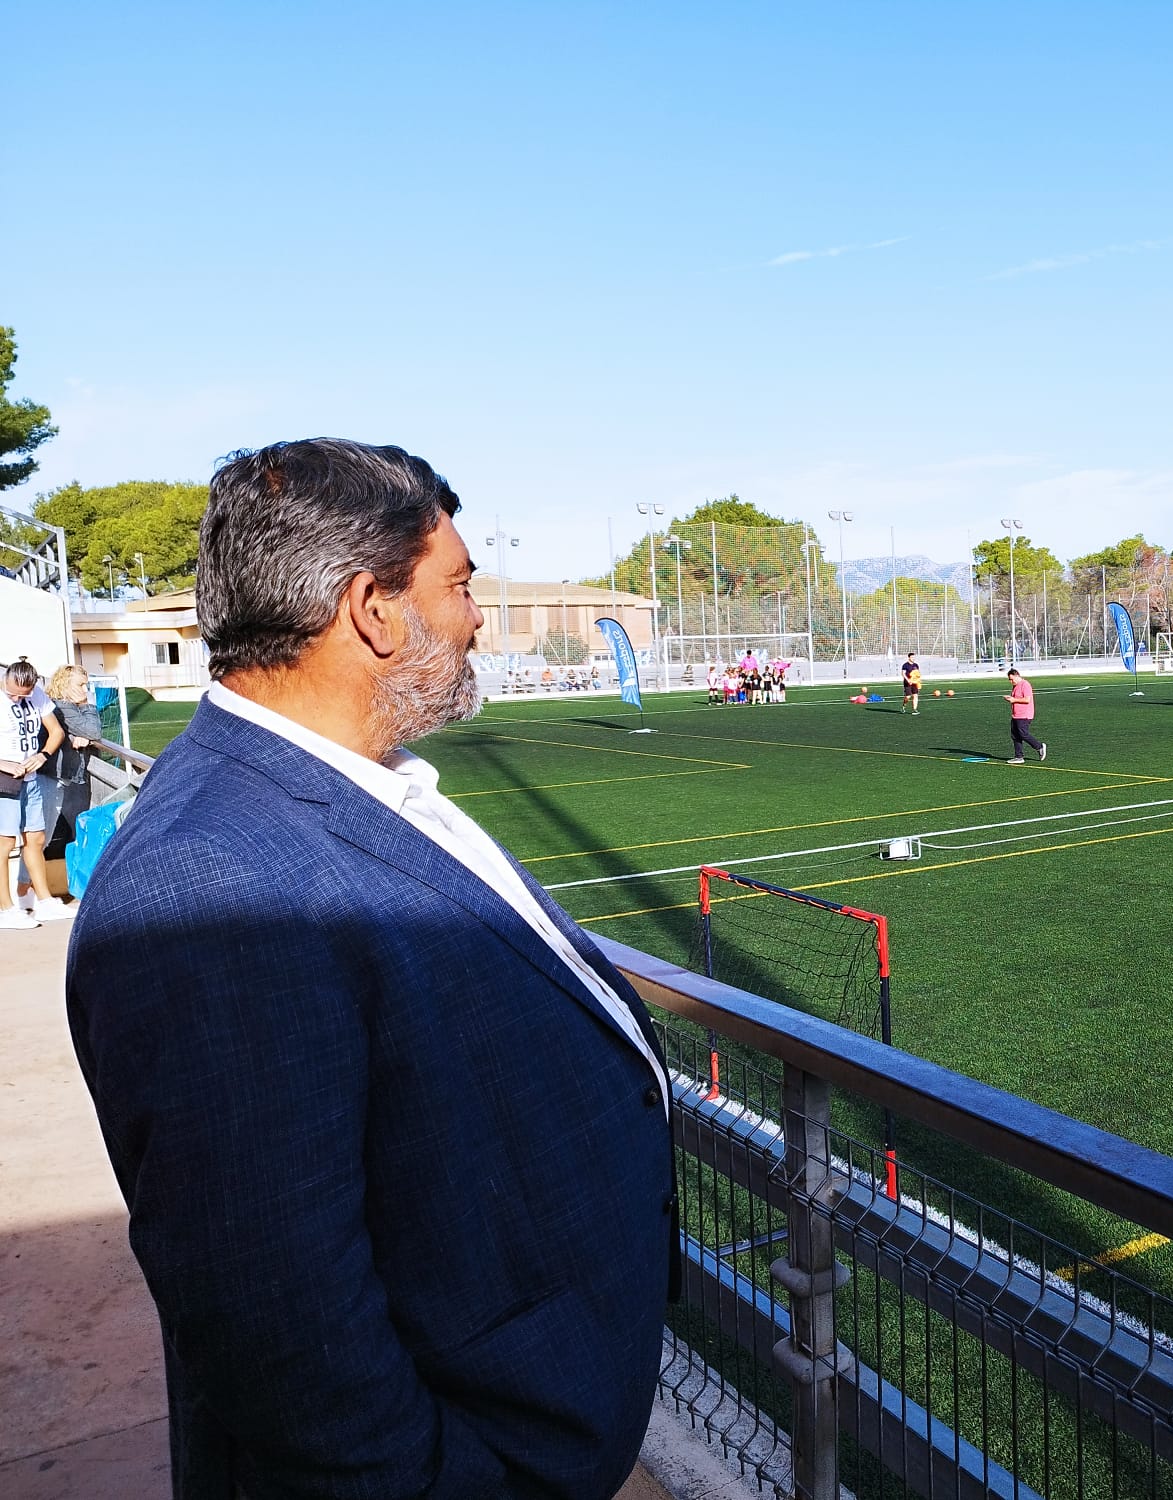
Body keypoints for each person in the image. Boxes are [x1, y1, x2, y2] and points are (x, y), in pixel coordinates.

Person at [67, 440, 677, 1500]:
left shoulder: (347, 783)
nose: (476, 616)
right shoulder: (210, 877)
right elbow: (273, 1318)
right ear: (372, 610)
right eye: (459, 585)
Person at [2, 659, 68, 928]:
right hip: (4, 780)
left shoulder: (36, 695)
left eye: (24, 693)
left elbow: (56, 732)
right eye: (13, 693)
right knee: (4, 844)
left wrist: (42, 756)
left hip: (30, 777)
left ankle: (42, 901)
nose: (18, 697)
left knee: (36, 838)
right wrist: (3, 763)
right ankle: (5, 908)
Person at [42, 664, 102, 875]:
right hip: (66, 778)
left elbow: (88, 734)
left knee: (61, 832)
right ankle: (63, 881)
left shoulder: (58, 706)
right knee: (70, 832)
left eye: (86, 685)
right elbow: (94, 730)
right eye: (80, 685)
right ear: (65, 685)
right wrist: (87, 705)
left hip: (66, 776)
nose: (85, 690)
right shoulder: (63, 707)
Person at [1004, 667, 1046, 763]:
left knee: (1023, 734)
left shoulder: (1025, 685)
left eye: (1011, 679)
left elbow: (1027, 700)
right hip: (1016, 715)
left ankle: (1039, 746)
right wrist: (1010, 698)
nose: (1011, 681)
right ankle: (1019, 757)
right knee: (1015, 735)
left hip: (1024, 715)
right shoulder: (1016, 686)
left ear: (1017, 676)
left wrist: (1013, 700)